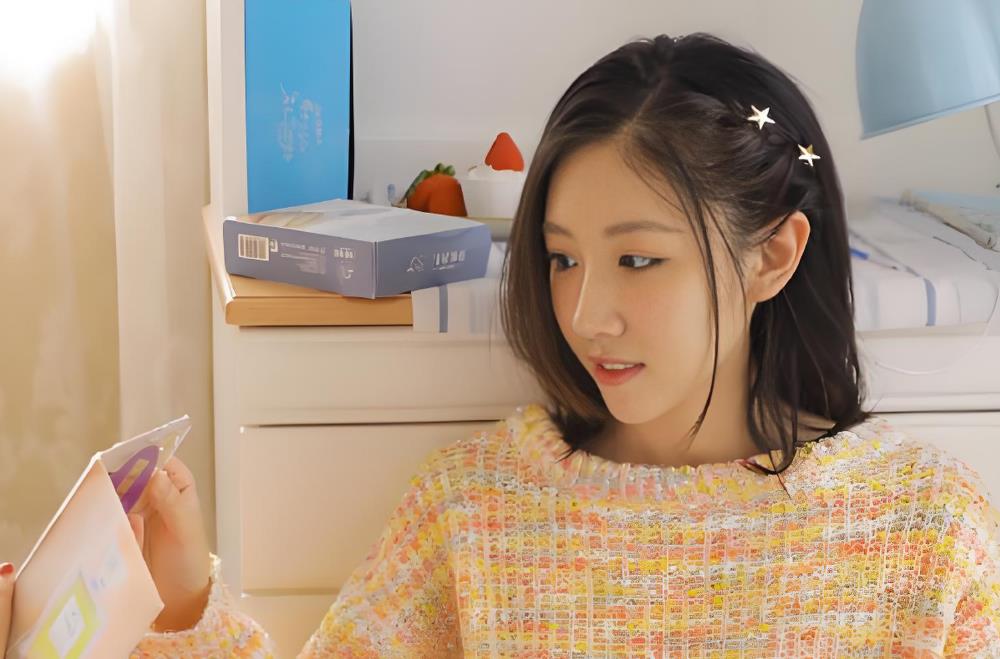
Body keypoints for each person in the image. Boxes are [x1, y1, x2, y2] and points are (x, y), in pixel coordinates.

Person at [3, 31, 999, 657]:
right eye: (562, 258)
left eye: (638, 260)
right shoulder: (475, 509)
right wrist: (183, 600)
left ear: (774, 255)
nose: (588, 312)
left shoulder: (929, 529)